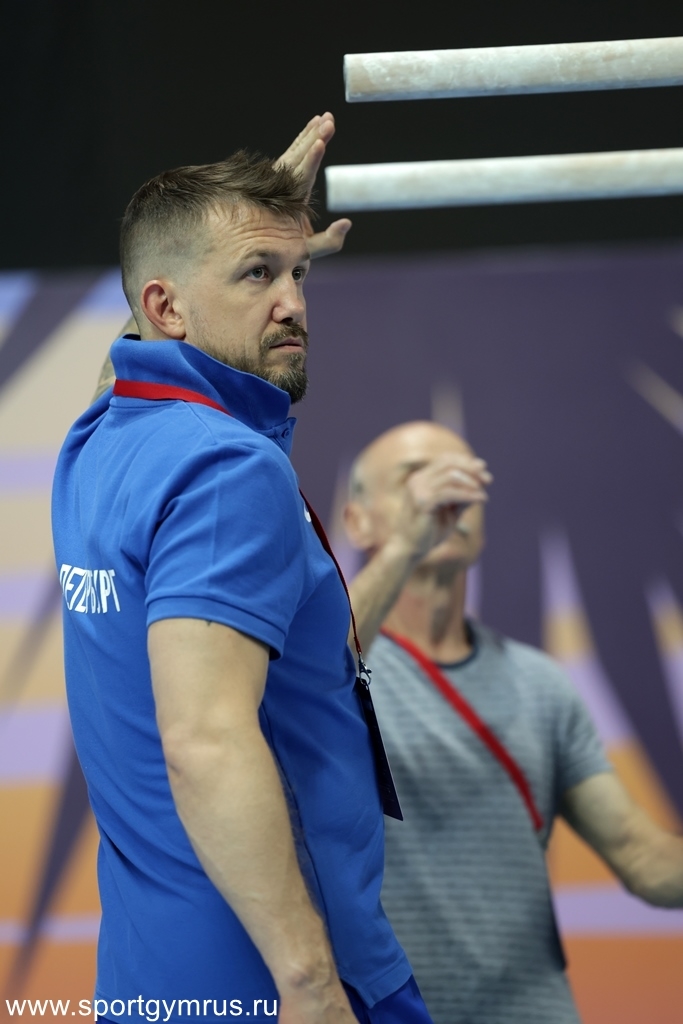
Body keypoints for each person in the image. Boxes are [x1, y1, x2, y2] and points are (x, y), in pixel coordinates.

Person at [52, 116, 435, 1024]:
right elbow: (206, 741)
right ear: (166, 307)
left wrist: (246, 237)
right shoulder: (227, 466)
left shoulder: (96, 438)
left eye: (298, 274)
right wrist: (309, 982)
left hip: (148, 976)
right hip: (271, 978)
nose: (293, 303)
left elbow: (137, 346)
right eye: (257, 276)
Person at [343, 420, 683, 1024]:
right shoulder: (336, 667)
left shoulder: (542, 683)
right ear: (358, 522)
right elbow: (317, 670)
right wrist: (402, 549)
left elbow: (643, 858)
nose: (445, 497)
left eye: (463, 480)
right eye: (415, 479)